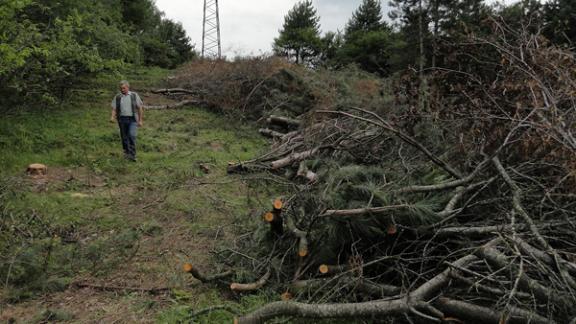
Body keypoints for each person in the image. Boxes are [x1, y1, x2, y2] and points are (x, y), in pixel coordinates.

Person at [110, 80, 144, 161]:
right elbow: (114, 108)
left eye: (124, 88)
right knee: (124, 137)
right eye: (121, 88)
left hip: (132, 119)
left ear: (128, 87)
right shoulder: (118, 97)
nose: (122, 90)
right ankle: (126, 154)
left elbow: (140, 108)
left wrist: (140, 120)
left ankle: (133, 155)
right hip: (122, 119)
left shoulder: (134, 95)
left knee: (132, 135)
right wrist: (112, 117)